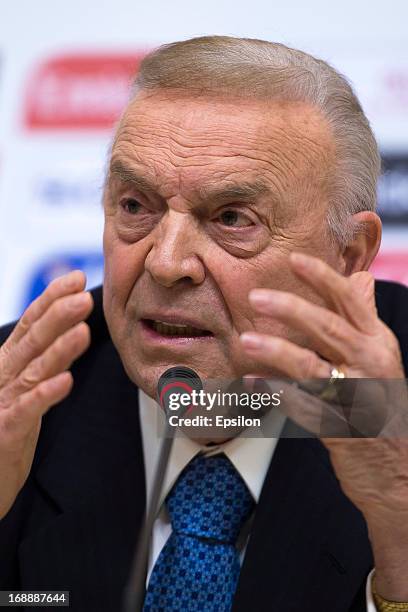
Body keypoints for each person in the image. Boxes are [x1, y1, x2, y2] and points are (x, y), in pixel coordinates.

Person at [0, 35, 408, 612]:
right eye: (135, 206)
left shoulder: (391, 402)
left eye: (232, 218)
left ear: (347, 255)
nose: (165, 264)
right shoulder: (24, 393)